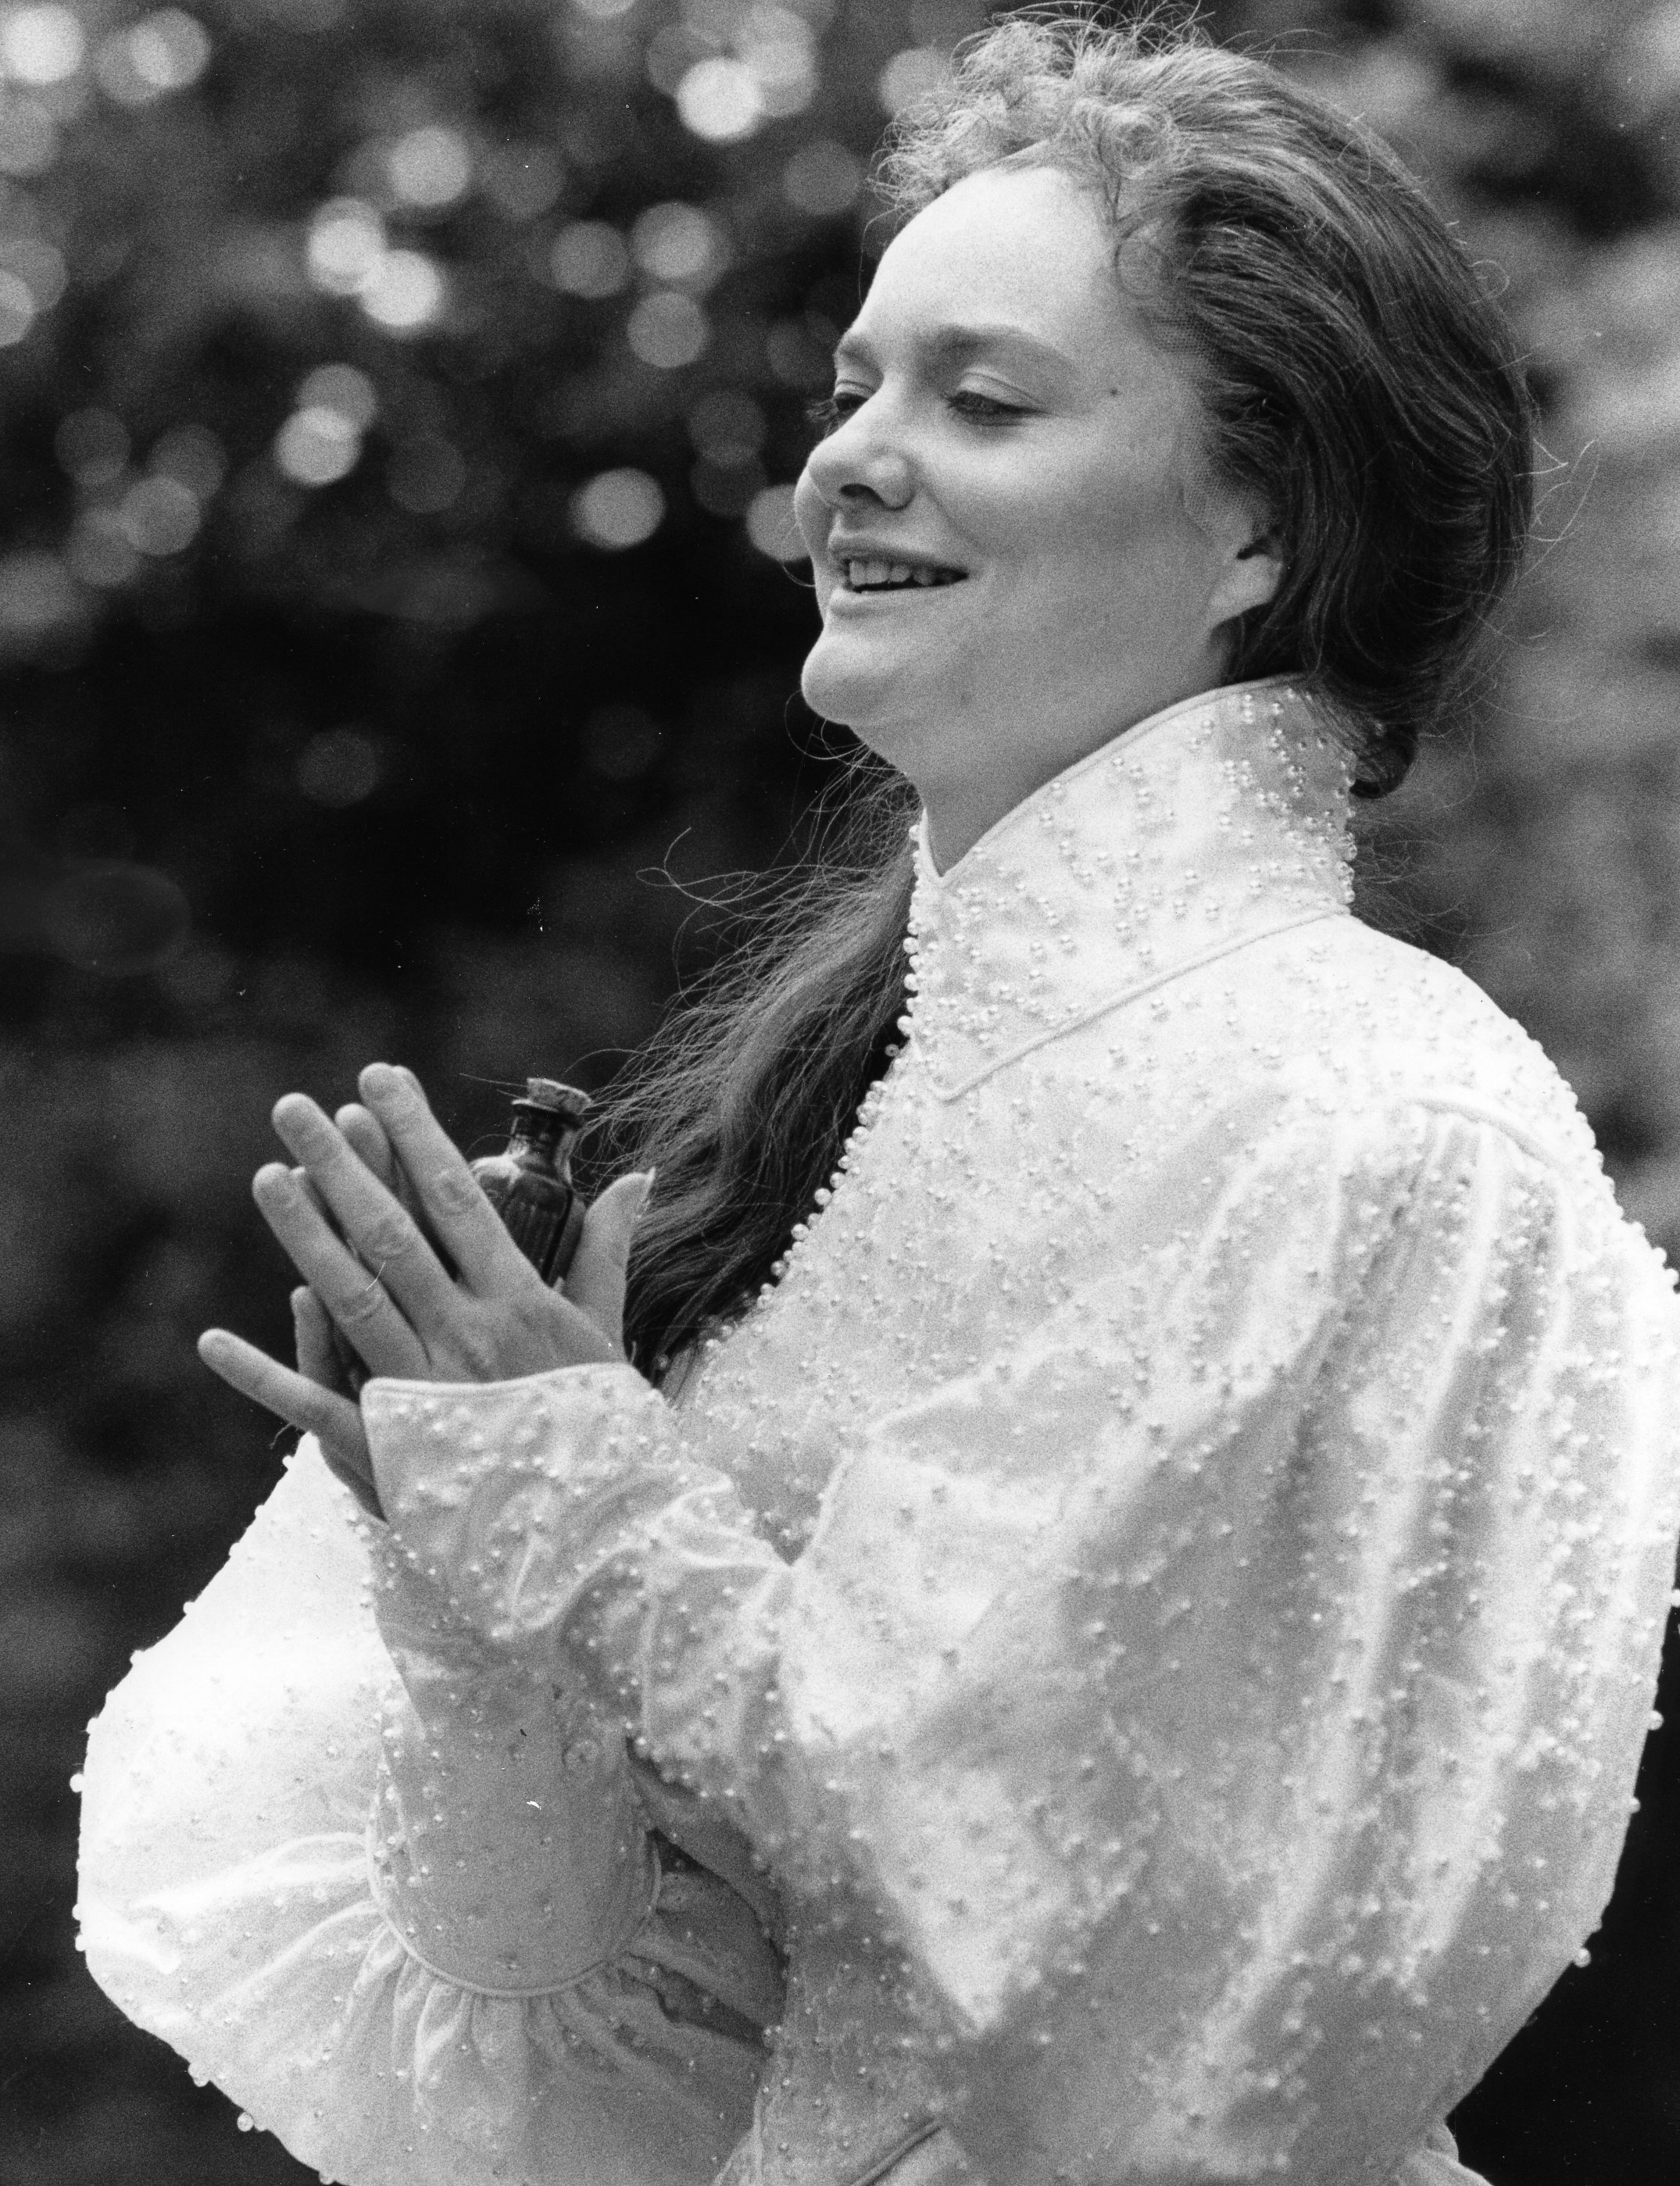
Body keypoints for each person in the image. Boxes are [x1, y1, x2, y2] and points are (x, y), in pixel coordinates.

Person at [77, 13, 1680, 2186]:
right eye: (854, 388)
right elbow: (580, 2044)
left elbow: (1162, 2005)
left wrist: (584, 1507)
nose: (850, 457)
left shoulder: (1384, 1122)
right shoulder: (837, 1112)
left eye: (982, 399)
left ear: (1264, 528)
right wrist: (461, 1565)